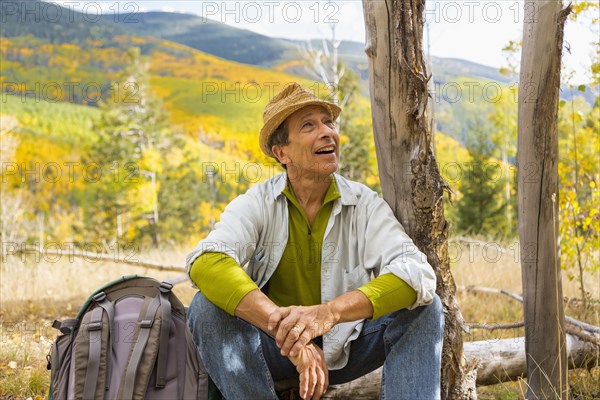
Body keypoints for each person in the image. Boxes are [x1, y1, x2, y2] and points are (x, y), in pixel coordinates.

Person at [186, 82, 443, 400]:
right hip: (274, 348)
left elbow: (417, 273)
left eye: (329, 122)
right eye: (309, 125)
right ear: (282, 153)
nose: (327, 133)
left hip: (347, 346)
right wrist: (292, 335)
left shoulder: (364, 203)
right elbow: (207, 260)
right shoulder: (259, 202)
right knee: (204, 308)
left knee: (425, 308)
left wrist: (329, 313)